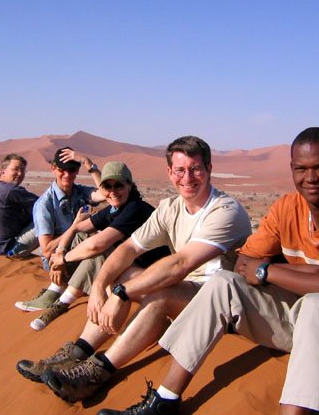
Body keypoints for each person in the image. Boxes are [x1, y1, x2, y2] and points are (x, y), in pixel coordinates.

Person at [97, 127, 319, 415]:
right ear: (292, 170)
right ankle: (164, 400)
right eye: (301, 169)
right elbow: (244, 265)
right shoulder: (287, 207)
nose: (310, 178)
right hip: (303, 326)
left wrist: (271, 272)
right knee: (223, 283)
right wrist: (311, 275)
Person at [16, 135, 252, 403]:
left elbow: (181, 264)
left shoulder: (224, 210)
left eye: (195, 168)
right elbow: (128, 248)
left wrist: (120, 294)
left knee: (160, 292)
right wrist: (98, 285)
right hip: (185, 290)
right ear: (170, 173)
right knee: (117, 271)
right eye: (180, 170)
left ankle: (93, 374)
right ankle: (73, 355)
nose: (187, 177)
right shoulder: (170, 208)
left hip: (220, 305)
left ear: (209, 170)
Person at [27, 161, 170, 331]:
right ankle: (56, 289)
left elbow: (97, 245)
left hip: (151, 274)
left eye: (119, 186)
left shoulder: (135, 208)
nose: (113, 192)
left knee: (102, 251)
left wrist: (62, 260)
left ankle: (62, 303)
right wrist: (60, 251)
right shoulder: (112, 209)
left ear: (130, 186)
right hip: (129, 267)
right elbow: (78, 229)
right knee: (81, 238)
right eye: (107, 187)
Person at [15, 147, 105, 311]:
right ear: (53, 169)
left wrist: (87, 163)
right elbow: (47, 250)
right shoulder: (45, 204)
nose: (67, 174)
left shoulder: (79, 192)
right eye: (62, 169)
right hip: (56, 262)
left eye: (72, 170)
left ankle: (57, 294)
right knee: (91, 238)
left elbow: (106, 193)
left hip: (76, 252)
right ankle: (59, 298)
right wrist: (76, 227)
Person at [0, 154, 39, 256]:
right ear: (3, 171)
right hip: (9, 248)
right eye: (15, 169)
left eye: (22, 170)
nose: (20, 174)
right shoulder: (10, 190)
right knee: (52, 218)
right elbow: (44, 204)